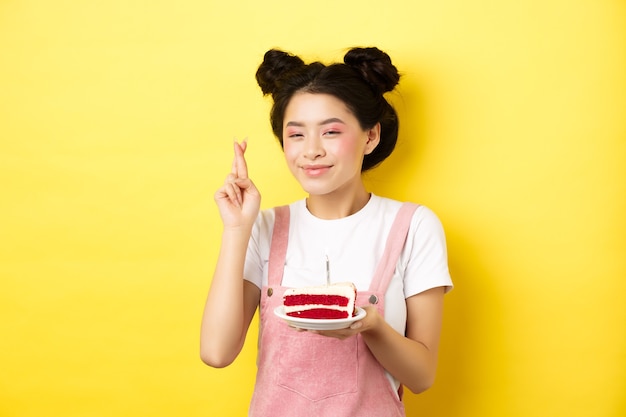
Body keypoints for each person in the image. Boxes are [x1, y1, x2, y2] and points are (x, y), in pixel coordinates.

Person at [200, 46, 453, 417]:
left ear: (370, 137)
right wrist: (237, 229)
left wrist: (372, 326)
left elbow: (422, 377)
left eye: (331, 131)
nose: (312, 151)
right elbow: (216, 353)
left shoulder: (414, 226)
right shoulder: (264, 226)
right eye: (297, 135)